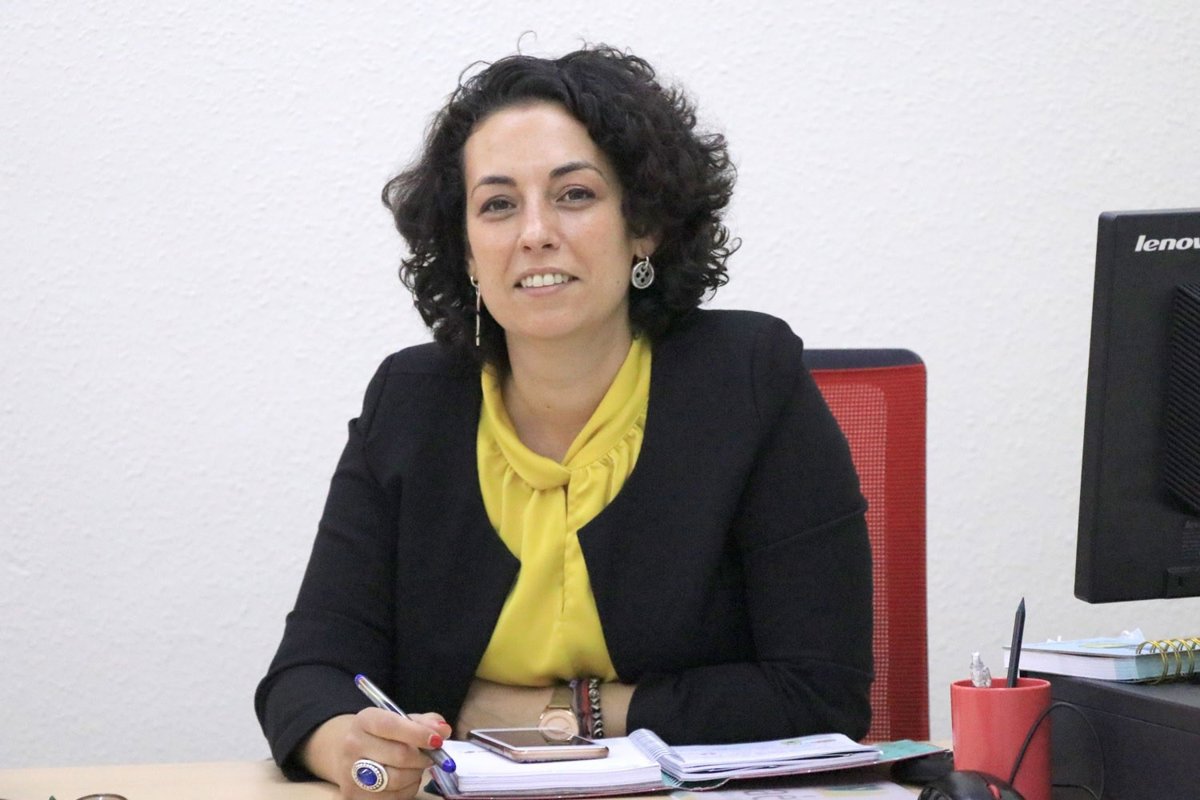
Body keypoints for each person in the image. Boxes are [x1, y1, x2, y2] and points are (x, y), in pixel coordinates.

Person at [255, 44, 873, 799]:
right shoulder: (410, 402)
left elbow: (820, 694)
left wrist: (551, 714)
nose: (535, 232)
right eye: (498, 204)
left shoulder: (748, 380)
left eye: (574, 194)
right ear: (467, 251)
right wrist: (348, 746)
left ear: (643, 227)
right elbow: (309, 671)